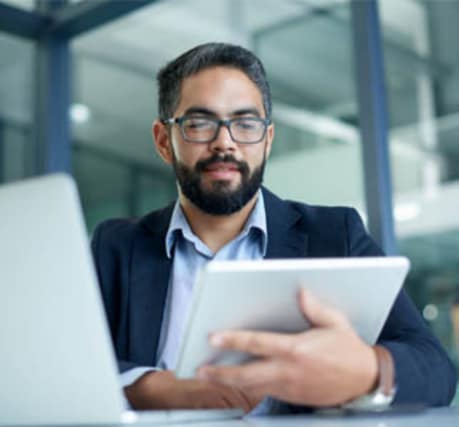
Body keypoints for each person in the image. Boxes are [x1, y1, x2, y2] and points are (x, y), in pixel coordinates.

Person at [91, 42, 457, 413]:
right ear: (162, 141)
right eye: (199, 124)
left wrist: (367, 371)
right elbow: (65, 360)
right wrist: (149, 387)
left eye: (245, 124)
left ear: (267, 140)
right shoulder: (116, 245)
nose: (225, 142)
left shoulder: (334, 234)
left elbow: (436, 369)